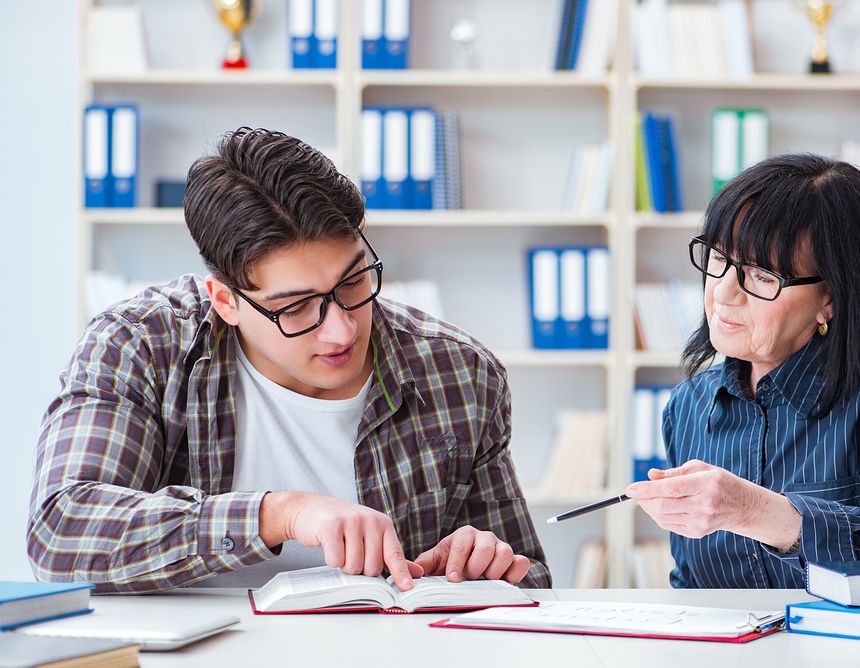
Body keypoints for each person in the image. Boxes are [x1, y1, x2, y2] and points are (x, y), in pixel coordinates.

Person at [28, 127, 551, 593]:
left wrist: (481, 570)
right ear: (225, 300)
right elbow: (61, 533)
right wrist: (279, 513)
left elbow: (533, 581)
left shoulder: (459, 372)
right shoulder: (139, 346)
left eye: (353, 282)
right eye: (296, 307)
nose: (341, 328)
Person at [625, 153, 860, 588]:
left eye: (762, 276)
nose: (724, 294)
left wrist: (757, 513)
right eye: (717, 259)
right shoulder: (689, 406)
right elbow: (693, 584)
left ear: (830, 296)